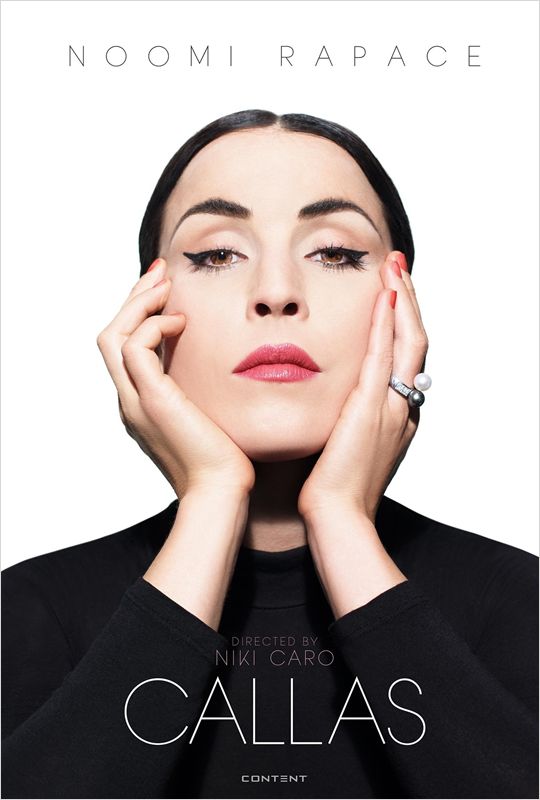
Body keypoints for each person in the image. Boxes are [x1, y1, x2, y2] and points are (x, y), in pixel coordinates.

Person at [2, 109, 537, 800]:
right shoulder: (32, 608)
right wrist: (211, 496)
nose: (277, 293)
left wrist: (342, 518)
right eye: (217, 255)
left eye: (335, 252)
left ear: (402, 302)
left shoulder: (516, 600)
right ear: (147, 311)